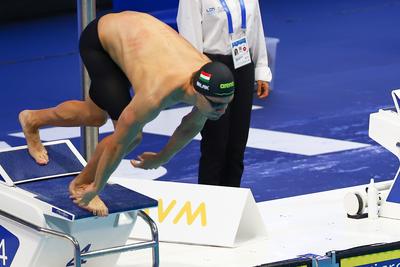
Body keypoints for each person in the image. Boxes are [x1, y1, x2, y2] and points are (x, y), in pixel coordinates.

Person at [19, 11, 235, 216]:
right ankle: (81, 184)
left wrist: (161, 157)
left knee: (94, 115)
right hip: (101, 41)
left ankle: (32, 119)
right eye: (217, 105)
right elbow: (118, 143)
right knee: (132, 137)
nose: (222, 111)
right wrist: (96, 187)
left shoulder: (209, 78)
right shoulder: (156, 94)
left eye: (227, 103)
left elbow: (191, 125)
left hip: (134, 38)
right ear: (197, 93)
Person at [177, 0, 272, 187]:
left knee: (238, 143)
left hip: (243, 64)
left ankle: (233, 200)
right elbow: (189, 36)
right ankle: (210, 203)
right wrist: (197, 78)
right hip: (211, 67)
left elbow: (256, 26)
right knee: (215, 144)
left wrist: (261, 68)